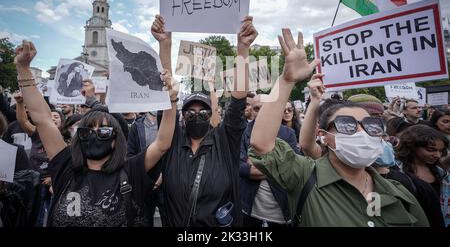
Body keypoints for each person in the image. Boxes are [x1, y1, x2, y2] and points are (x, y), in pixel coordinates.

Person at [249, 28, 428, 227]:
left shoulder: (400, 193)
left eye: (370, 125)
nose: (362, 132)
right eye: (346, 125)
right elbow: (262, 143)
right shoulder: (304, 176)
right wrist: (287, 80)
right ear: (323, 136)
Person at [14, 38, 178, 227]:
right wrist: (23, 68)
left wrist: (171, 100)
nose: (95, 134)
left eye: (104, 130)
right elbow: (42, 119)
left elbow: (162, 143)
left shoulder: (130, 171)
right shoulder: (65, 167)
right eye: (88, 130)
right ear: (79, 137)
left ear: (116, 140)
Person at [153, 15, 257, 227]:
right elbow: (167, 93)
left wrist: (243, 49)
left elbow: (238, 99)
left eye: (203, 111)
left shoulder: (224, 142)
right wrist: (165, 44)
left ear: (211, 115)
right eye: (190, 111)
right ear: (182, 116)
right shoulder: (171, 142)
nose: (197, 114)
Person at [240, 93, 301, 227]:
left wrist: (255, 163)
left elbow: (295, 166)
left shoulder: (288, 133)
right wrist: (276, 163)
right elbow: (237, 165)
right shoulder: (242, 133)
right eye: (257, 108)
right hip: (249, 208)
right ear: (251, 111)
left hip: (281, 210)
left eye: (266, 107)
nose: (261, 112)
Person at [396, 125, 450, 226]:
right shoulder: (397, 171)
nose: (437, 155)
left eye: (440, 151)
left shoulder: (442, 174)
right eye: (431, 150)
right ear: (412, 146)